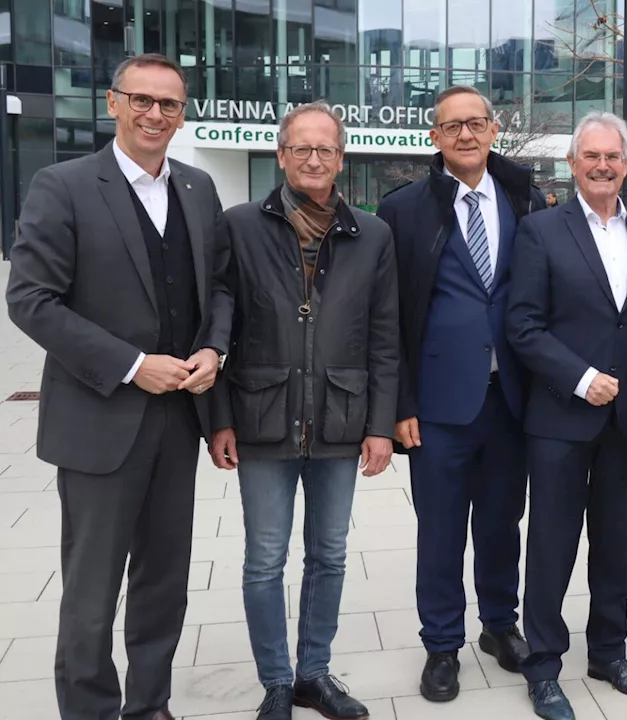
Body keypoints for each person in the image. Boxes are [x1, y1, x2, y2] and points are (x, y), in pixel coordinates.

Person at [5, 54, 230, 720]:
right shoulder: (63, 184)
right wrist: (134, 364)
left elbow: (218, 286)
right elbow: (31, 299)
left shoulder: (198, 188)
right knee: (92, 590)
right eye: (142, 100)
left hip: (177, 421)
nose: (155, 114)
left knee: (164, 582)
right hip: (100, 420)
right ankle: (90, 710)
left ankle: (149, 705)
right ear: (113, 103)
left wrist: (215, 346)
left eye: (169, 104)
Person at [207, 101, 399, 720]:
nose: (314, 159)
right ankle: (276, 683)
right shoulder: (238, 226)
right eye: (302, 148)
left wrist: (379, 427)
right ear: (282, 154)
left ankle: (314, 673)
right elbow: (214, 324)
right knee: (265, 558)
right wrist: (218, 417)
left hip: (342, 419)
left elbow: (385, 337)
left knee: (330, 554)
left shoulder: (371, 234)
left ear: (341, 158)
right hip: (261, 416)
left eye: (326, 149)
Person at [376, 84, 546, 702]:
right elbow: (388, 317)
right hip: (438, 408)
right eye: (453, 127)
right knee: (441, 531)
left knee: (504, 524)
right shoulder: (404, 210)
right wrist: (399, 405)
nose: (466, 135)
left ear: (495, 129)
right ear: (434, 138)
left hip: (511, 400)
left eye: (476, 123)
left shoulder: (525, 197)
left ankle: (500, 627)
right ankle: (441, 645)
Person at [507, 111, 627, 720]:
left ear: (626, 165)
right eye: (592, 156)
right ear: (574, 163)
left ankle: (609, 651)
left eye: (613, 157)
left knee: (615, 545)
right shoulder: (541, 230)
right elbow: (522, 324)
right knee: (551, 544)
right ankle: (545, 665)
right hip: (558, 417)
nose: (603, 166)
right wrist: (580, 379)